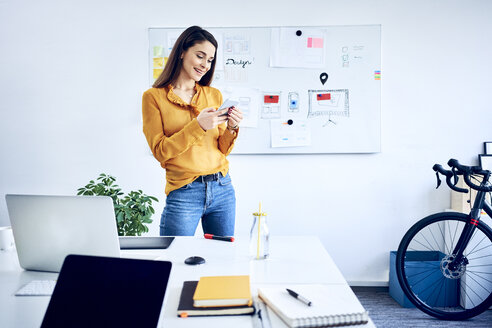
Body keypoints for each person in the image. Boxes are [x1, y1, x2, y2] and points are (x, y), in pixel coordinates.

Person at [142, 26, 243, 237]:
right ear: (182, 52)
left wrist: (232, 127)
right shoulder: (153, 97)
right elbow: (160, 151)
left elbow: (222, 149)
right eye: (200, 56)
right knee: (174, 259)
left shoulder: (213, 94)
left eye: (210, 60)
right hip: (184, 191)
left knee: (223, 260)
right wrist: (198, 126)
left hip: (222, 187)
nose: (205, 65)